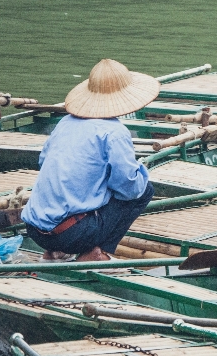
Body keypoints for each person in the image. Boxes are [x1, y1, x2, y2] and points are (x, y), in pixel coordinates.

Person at [21, 59, 158, 262]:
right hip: (71, 235)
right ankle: (96, 253)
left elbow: (43, 162)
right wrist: (141, 171)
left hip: (34, 229)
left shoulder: (65, 122)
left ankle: (54, 252)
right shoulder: (115, 132)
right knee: (144, 190)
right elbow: (130, 187)